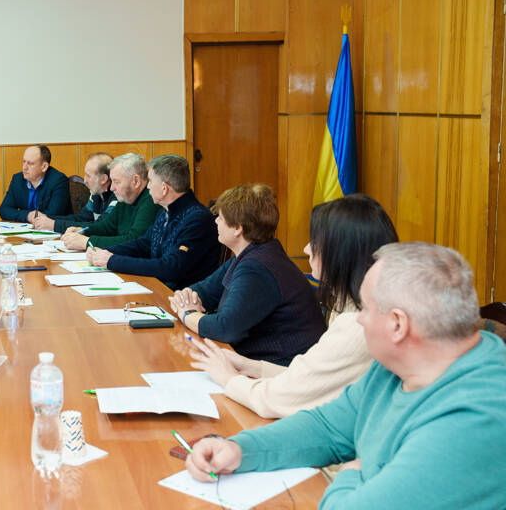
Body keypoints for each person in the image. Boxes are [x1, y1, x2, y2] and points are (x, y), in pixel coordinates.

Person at [185, 243, 506, 509]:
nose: (359, 321)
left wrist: (352, 473)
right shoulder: (396, 367)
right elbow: (328, 427)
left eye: (365, 309)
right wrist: (241, 449)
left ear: (398, 325)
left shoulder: (475, 418)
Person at [188, 194, 398, 417]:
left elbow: (281, 399)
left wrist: (229, 379)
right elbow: (308, 377)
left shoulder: (357, 323)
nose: (306, 249)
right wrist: (250, 366)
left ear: (341, 253)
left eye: (314, 242)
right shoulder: (349, 303)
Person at [167, 184, 324, 366]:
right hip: (256, 362)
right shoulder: (251, 253)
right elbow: (205, 290)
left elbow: (225, 328)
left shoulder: (258, 267)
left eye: (221, 218)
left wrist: (187, 314)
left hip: (279, 370)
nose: (215, 221)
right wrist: (185, 296)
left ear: (238, 229)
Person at [86, 154, 219, 290]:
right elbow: (144, 244)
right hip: (158, 288)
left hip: (179, 297)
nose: (148, 186)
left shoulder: (197, 219)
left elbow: (170, 267)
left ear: (164, 188)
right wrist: (104, 252)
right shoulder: (165, 211)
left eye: (150, 181)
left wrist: (112, 261)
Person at [61, 153, 157, 250]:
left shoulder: (151, 200)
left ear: (136, 181)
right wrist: (83, 231)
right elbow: (107, 226)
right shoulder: (127, 196)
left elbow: (134, 241)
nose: (112, 188)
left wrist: (87, 242)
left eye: (117, 182)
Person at [31, 152, 115, 233]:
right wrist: (48, 218)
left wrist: (54, 225)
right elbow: (81, 218)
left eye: (88, 176)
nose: (85, 181)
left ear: (104, 179)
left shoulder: (117, 197)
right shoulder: (96, 193)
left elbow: (99, 227)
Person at [0, 145, 70, 222]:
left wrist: (31, 217)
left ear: (44, 167)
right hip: (25, 230)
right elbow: (4, 210)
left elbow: (54, 215)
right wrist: (28, 216)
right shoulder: (18, 179)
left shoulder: (58, 181)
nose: (24, 168)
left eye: (30, 163)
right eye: (24, 162)